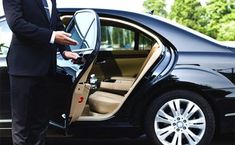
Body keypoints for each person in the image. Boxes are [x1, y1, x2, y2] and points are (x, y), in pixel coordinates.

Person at [3, 0, 78, 144]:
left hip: (47, 69)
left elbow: (55, 24)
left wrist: (65, 51)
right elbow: (17, 24)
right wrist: (52, 36)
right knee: (22, 127)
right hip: (23, 69)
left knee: (40, 125)